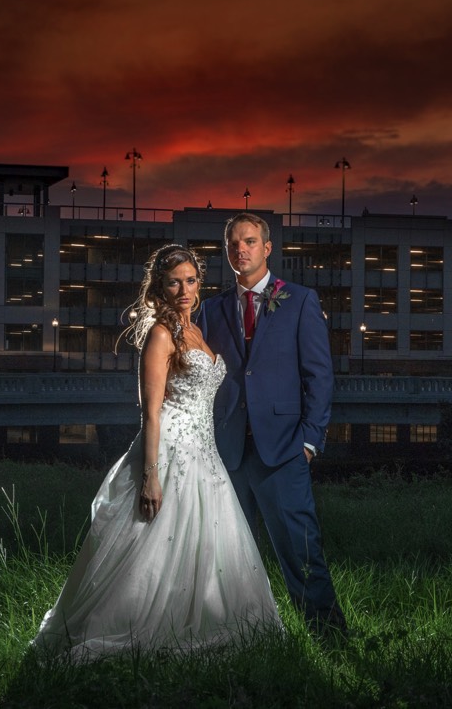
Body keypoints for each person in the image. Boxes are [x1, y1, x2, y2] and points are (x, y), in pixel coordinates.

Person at [30, 244, 282, 661]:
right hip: (170, 452)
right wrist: (151, 473)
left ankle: (199, 619)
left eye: (190, 280)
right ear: (159, 288)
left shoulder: (197, 331)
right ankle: (130, 629)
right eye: (173, 282)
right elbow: (151, 413)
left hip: (206, 455)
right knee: (154, 547)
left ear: (199, 283)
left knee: (208, 547)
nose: (184, 289)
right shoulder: (161, 335)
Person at [197, 212, 349, 642]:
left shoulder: (299, 300)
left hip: (283, 450)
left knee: (301, 551)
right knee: (227, 558)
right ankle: (236, 638)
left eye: (248, 241)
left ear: (267, 248)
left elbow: (319, 376)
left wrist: (309, 441)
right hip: (226, 454)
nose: (239, 250)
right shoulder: (211, 309)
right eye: (232, 244)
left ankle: (329, 637)